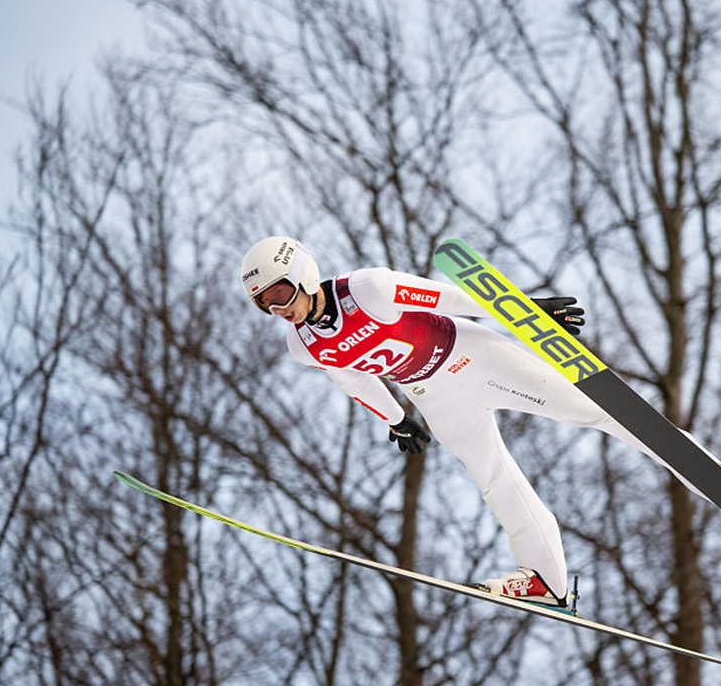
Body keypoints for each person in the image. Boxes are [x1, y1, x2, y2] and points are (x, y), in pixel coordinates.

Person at [241, 236, 677, 608]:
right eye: (264, 304)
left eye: (278, 294)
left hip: (471, 356)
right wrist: (396, 419)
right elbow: (352, 379)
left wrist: (526, 312)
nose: (276, 309)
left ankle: (684, 456)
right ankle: (548, 582)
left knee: (586, 407)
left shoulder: (369, 288)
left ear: (303, 274)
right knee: (492, 476)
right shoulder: (303, 346)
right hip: (434, 396)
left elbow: (448, 297)